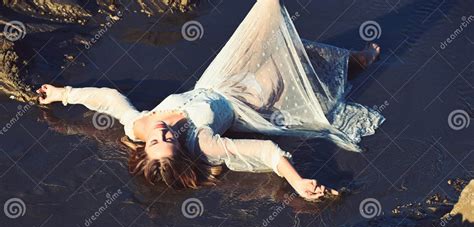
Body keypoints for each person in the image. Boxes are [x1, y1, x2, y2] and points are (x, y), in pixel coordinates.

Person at [36, 0, 383, 200]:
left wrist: (62, 95)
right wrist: (296, 181)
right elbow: (263, 152)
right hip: (250, 99)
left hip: (220, 77)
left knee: (268, 16)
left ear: (144, 146)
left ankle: (345, 63)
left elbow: (109, 100)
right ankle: (355, 62)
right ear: (182, 151)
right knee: (284, 49)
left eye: (157, 140)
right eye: (168, 141)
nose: (163, 132)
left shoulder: (138, 126)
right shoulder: (203, 142)